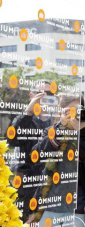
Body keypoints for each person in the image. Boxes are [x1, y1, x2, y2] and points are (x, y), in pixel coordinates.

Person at [30, 93, 85, 226]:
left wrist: (83, 133)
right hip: (50, 207)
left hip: (78, 209)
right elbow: (36, 155)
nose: (74, 114)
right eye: (71, 110)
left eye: (78, 109)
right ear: (62, 111)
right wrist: (60, 127)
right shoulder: (51, 131)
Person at [7, 80, 55, 221]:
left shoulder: (55, 120)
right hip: (28, 182)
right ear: (31, 95)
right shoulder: (25, 119)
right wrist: (28, 112)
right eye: (40, 93)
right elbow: (12, 140)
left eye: (49, 94)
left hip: (49, 182)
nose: (44, 97)